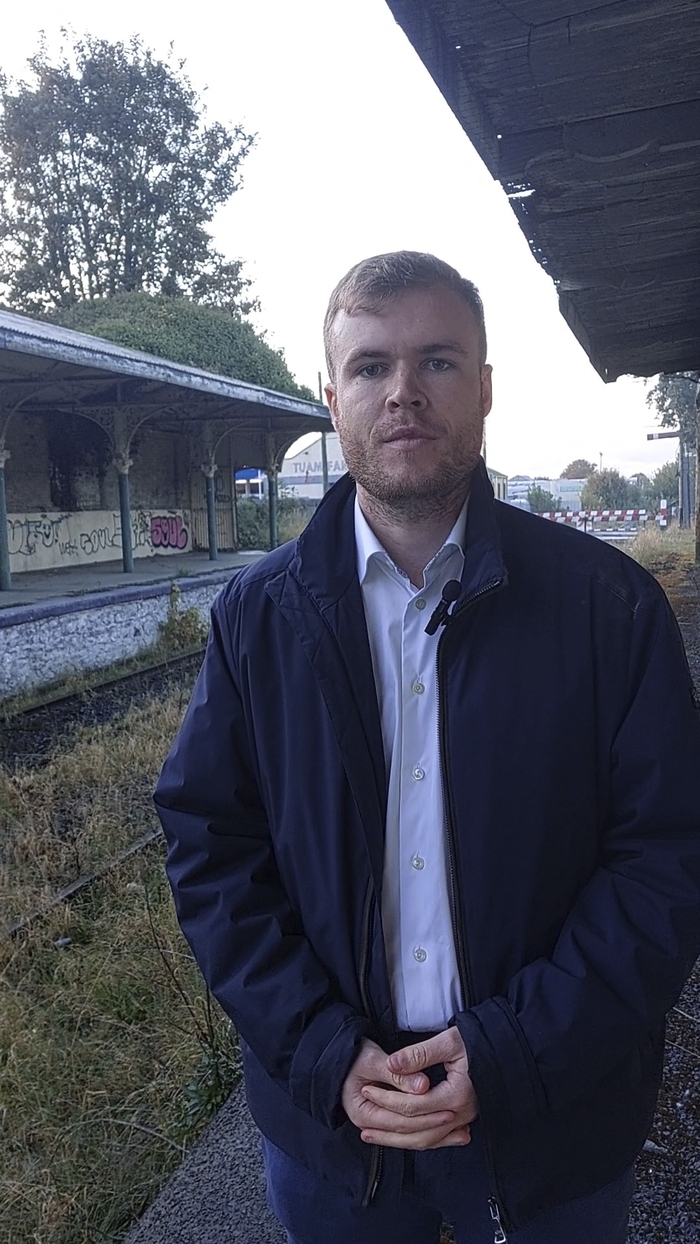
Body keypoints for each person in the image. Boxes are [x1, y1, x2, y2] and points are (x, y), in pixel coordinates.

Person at [154, 251, 700, 1243]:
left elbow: (664, 859)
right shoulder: (254, 619)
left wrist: (510, 1053)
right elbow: (210, 850)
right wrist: (321, 1050)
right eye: (369, 367)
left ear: (485, 387)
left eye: (436, 360)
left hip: (552, 1124)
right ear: (331, 397)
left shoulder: (606, 608)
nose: (401, 391)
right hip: (333, 1129)